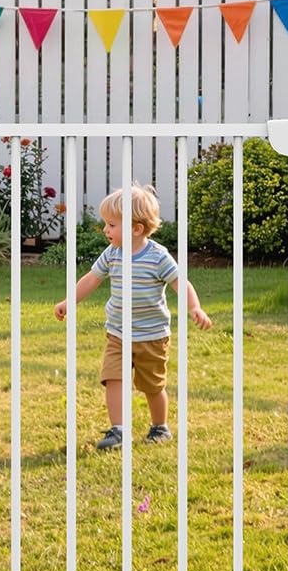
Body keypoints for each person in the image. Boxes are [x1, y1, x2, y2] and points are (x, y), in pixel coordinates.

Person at [55, 182, 211, 451]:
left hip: (152, 336)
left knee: (152, 386)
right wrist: (70, 301)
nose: (106, 230)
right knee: (113, 377)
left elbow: (180, 283)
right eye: (106, 224)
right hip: (117, 332)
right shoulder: (112, 253)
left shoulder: (158, 257)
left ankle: (159, 426)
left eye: (112, 225)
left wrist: (194, 307)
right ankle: (118, 430)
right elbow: (92, 279)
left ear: (136, 229)